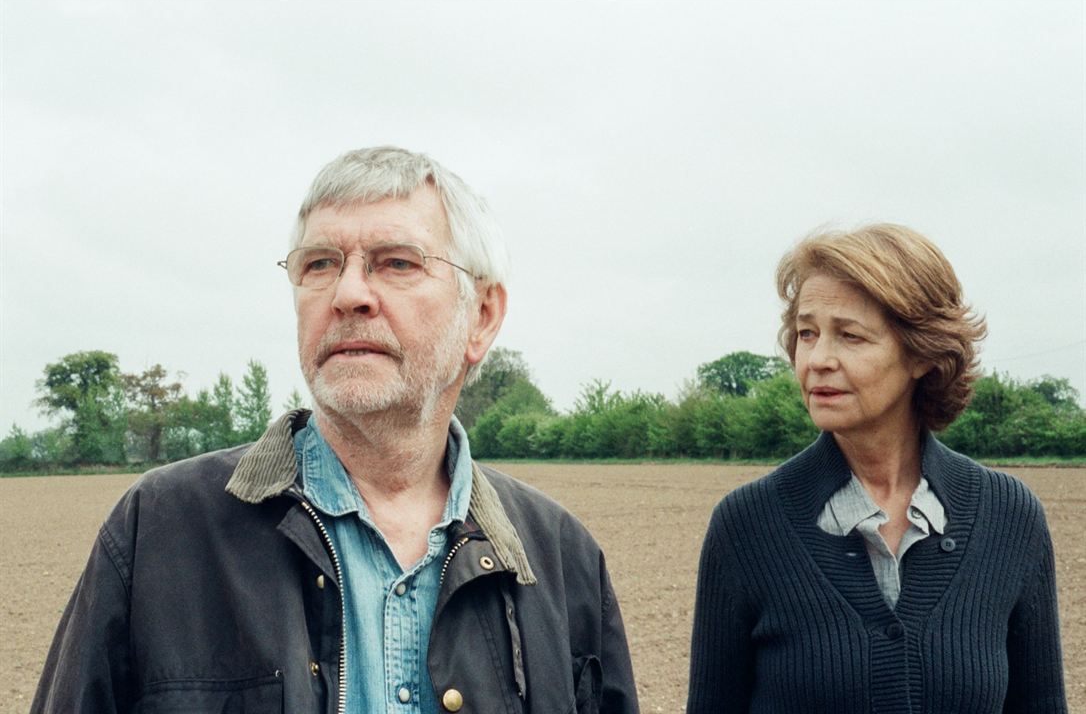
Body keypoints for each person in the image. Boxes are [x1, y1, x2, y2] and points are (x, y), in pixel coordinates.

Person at [33, 146, 639, 714]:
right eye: (319, 264)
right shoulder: (157, 531)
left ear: (481, 317)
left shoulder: (563, 558)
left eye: (397, 263)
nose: (349, 293)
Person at [687, 224, 1066, 713]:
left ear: (922, 354)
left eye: (850, 336)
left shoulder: (1010, 518)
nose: (818, 359)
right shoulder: (746, 526)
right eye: (807, 333)